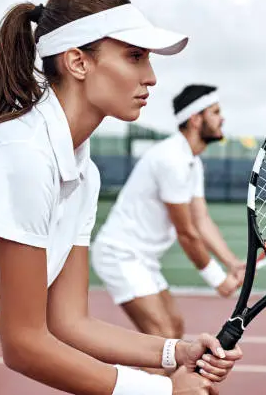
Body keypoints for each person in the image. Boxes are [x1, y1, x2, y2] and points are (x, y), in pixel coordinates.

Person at [0, 0, 242, 395]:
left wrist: (175, 352)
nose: (151, 76)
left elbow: (69, 322)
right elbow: (23, 345)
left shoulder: (82, 173)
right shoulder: (21, 154)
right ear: (78, 61)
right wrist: (161, 391)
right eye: (134, 56)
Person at [90, 84, 246, 342]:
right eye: (215, 112)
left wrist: (232, 262)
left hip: (144, 259)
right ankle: (134, 384)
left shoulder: (191, 161)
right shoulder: (171, 160)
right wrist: (218, 279)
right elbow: (187, 233)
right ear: (196, 120)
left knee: (173, 329)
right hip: (120, 255)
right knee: (161, 337)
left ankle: (154, 382)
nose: (222, 118)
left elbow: (201, 219)